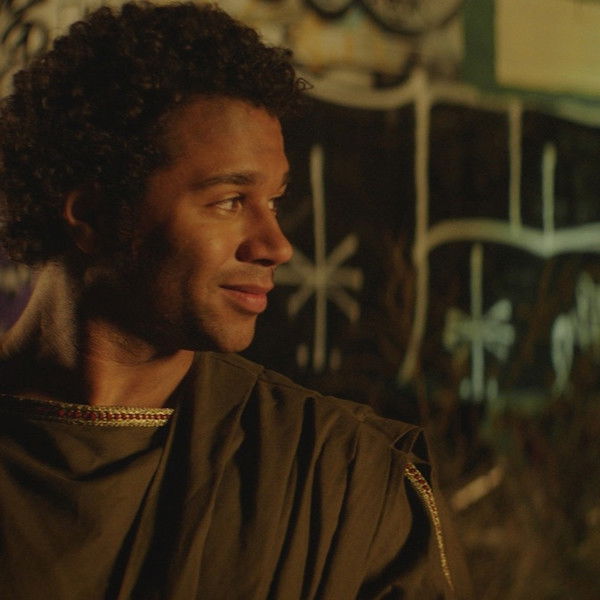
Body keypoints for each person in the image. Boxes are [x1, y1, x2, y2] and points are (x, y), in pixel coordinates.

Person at [0, 2, 470, 598]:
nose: (276, 246)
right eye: (228, 201)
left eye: (273, 201)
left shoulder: (346, 481)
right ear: (92, 215)